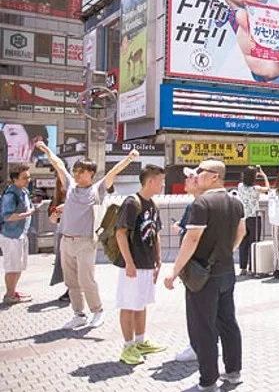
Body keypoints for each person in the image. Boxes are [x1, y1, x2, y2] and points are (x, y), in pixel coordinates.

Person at [164, 160, 246, 392]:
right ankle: (233, 372)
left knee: (204, 329)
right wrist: (225, 251)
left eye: (200, 172)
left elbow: (191, 239)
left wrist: (174, 272)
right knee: (228, 322)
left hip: (203, 278)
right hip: (226, 272)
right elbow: (241, 232)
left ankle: (208, 383)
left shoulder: (202, 203)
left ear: (214, 177)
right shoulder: (235, 201)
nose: (196, 175)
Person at [36, 141, 140, 330]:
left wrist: (129, 158)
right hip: (66, 240)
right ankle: (78, 314)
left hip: (85, 242)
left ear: (90, 174)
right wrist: (46, 150)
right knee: (71, 281)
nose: (76, 174)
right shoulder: (70, 187)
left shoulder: (97, 189)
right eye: (75, 170)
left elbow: (113, 172)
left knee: (86, 280)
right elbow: (59, 164)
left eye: (81, 171)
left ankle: (98, 311)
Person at [114, 165, 167, 365]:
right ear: (150, 181)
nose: (162, 184)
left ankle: (140, 341)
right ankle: (127, 347)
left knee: (141, 304)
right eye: (160, 181)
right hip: (133, 265)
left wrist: (159, 259)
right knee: (128, 304)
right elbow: (120, 233)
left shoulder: (153, 203)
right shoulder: (131, 203)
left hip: (147, 263)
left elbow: (156, 232)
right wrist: (128, 262)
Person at [173, 167, 205, 363]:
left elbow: (191, 238)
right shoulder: (220, 202)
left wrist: (175, 271)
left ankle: (196, 346)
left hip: (196, 267)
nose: (186, 180)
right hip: (213, 266)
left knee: (195, 308)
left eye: (191, 177)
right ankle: (208, 344)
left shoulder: (196, 207)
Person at [1, 164, 35, 304]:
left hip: (21, 234)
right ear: (15, 179)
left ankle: (13, 291)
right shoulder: (11, 194)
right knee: (12, 267)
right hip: (11, 236)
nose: (28, 179)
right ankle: (9, 295)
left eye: (28, 176)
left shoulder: (24, 191)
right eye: (25, 177)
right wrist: (27, 214)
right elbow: (7, 217)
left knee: (19, 266)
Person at [236, 166, 269, 275]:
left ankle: (243, 268)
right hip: (254, 217)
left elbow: (243, 180)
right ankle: (252, 267)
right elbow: (267, 189)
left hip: (242, 218)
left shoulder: (240, 186)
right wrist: (264, 175)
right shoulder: (256, 188)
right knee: (254, 243)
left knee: (243, 243)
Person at [48, 176, 69, 302]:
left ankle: (73, 291)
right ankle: (70, 289)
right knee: (63, 264)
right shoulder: (56, 200)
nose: (65, 188)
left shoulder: (77, 198)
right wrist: (56, 214)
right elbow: (51, 220)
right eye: (62, 185)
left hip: (77, 235)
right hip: (62, 233)